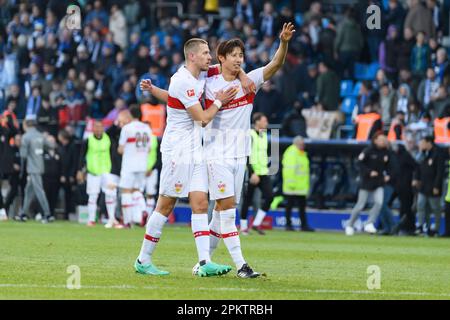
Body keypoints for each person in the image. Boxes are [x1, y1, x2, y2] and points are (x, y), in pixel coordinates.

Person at [135, 38, 239, 277]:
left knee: (201, 203)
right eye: (205, 53)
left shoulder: (197, 76)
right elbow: (202, 118)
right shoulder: (183, 81)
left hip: (195, 150)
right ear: (192, 56)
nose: (209, 56)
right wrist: (219, 101)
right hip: (177, 152)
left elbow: (174, 97)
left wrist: (153, 90)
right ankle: (143, 259)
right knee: (166, 204)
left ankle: (204, 262)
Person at [202, 23, 295, 277]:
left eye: (241, 55)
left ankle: (203, 262)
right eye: (233, 55)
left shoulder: (249, 80)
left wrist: (283, 42)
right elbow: (188, 72)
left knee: (220, 214)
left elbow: (275, 65)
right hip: (216, 155)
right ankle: (241, 265)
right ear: (221, 57)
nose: (238, 59)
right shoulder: (208, 79)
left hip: (239, 157)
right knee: (229, 211)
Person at [345, 133, 391, 236]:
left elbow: (390, 166)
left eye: (384, 140)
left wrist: (388, 175)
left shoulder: (386, 152)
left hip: (379, 182)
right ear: (375, 140)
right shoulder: (368, 150)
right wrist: (369, 172)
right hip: (366, 182)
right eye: (381, 140)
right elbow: (359, 163)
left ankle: (369, 223)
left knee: (379, 202)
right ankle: (350, 224)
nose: (383, 142)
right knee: (360, 205)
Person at [77, 120, 118, 227]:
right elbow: (81, 156)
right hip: (93, 172)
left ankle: (112, 219)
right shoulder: (88, 140)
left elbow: (113, 154)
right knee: (93, 196)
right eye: (96, 127)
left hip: (106, 172)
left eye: (101, 127)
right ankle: (91, 220)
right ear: (93, 128)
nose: (99, 129)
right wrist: (80, 170)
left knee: (110, 194)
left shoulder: (108, 138)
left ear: (103, 128)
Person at [240, 113, 274, 235]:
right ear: (257, 122)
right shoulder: (250, 135)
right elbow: (247, 155)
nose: (267, 123)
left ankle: (256, 223)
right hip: (252, 173)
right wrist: (252, 172)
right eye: (264, 121)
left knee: (270, 196)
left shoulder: (264, 135)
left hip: (263, 172)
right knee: (248, 200)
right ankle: (243, 227)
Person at [17, 117, 54, 223]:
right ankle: (23, 214)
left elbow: (23, 155)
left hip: (32, 167)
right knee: (28, 191)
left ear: (26, 125)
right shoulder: (40, 135)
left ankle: (47, 214)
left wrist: (21, 146)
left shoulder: (26, 137)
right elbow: (51, 145)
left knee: (39, 191)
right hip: (40, 166)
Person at [413, 136, 445, 236]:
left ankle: (435, 228)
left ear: (429, 142)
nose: (420, 145)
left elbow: (440, 172)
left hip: (433, 186)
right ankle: (421, 226)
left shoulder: (438, 153)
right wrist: (416, 179)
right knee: (420, 205)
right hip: (423, 185)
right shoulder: (422, 154)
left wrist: (436, 186)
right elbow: (417, 166)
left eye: (422, 142)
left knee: (435, 208)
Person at [282, 136, 314, 232]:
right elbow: (289, 169)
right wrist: (291, 183)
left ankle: (303, 225)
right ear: (296, 143)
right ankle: (288, 224)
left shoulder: (302, 153)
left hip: (300, 187)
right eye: (301, 143)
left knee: (301, 207)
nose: (303, 145)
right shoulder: (292, 152)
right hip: (292, 186)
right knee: (289, 206)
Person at [58, 129, 78, 219]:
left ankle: (70, 213)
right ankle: (66, 214)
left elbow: (74, 162)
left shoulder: (72, 147)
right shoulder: (61, 147)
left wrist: (71, 175)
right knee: (65, 196)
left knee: (69, 196)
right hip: (62, 175)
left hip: (69, 175)